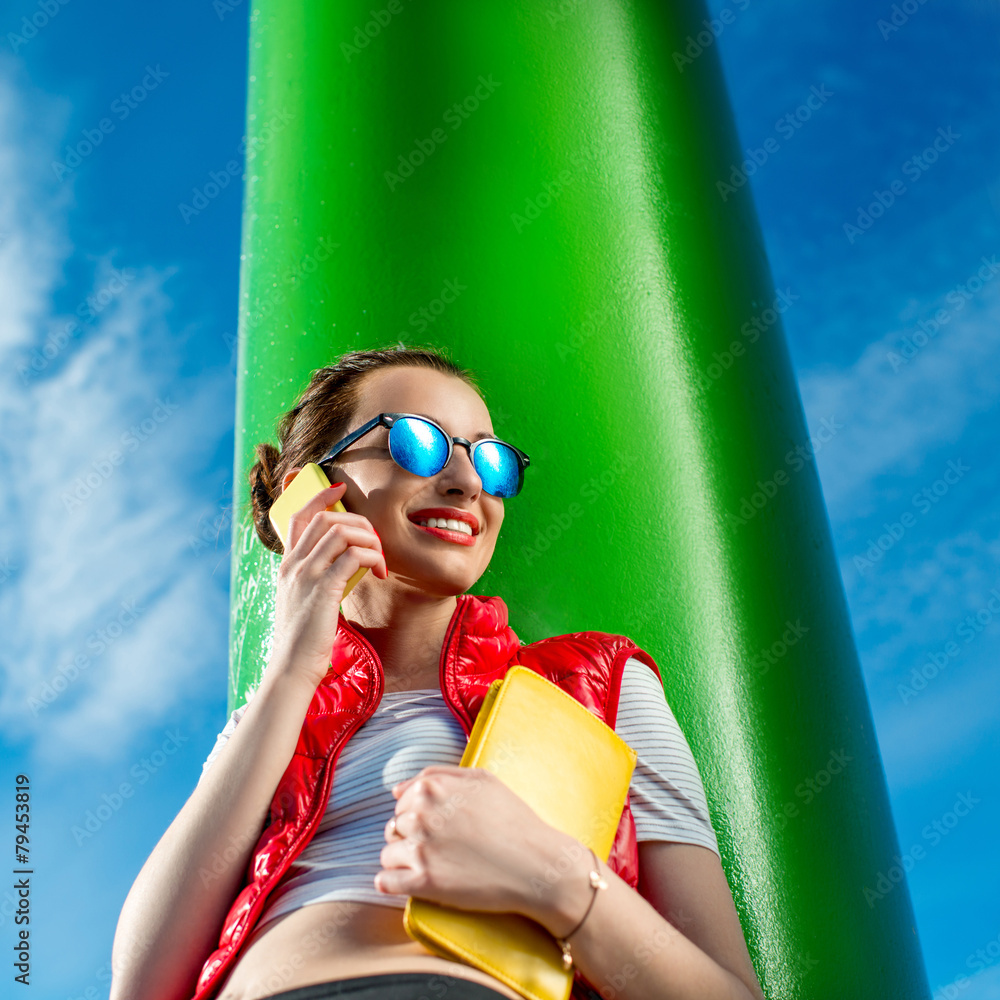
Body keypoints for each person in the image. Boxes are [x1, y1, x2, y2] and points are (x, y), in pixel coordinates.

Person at [110, 347, 764, 1000]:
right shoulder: (267, 719)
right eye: (416, 444)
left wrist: (559, 881)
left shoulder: (603, 684)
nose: (466, 482)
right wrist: (290, 670)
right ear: (311, 493)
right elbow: (142, 985)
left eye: (489, 459)